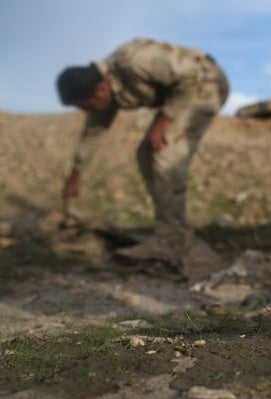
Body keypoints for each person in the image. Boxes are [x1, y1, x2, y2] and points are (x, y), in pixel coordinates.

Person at [56, 37, 229, 278]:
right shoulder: (104, 91)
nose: (87, 112)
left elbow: (190, 75)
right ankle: (170, 233)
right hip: (184, 92)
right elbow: (92, 133)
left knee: (165, 154)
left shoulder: (135, 62)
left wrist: (165, 118)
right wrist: (75, 174)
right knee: (146, 154)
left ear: (101, 89)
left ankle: (174, 243)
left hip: (205, 84)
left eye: (87, 105)